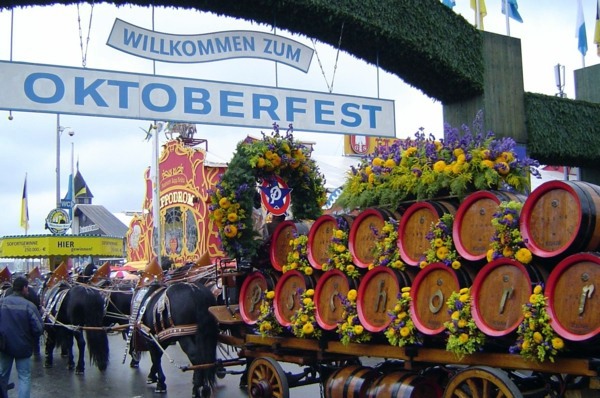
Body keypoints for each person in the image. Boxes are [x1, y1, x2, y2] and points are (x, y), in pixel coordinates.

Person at [0, 277, 43, 398]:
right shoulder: (29, 306)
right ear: (24, 288)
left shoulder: (2, 302)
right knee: (24, 377)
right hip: (23, 347)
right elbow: (39, 328)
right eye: (27, 288)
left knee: (2, 375)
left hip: (4, 346)